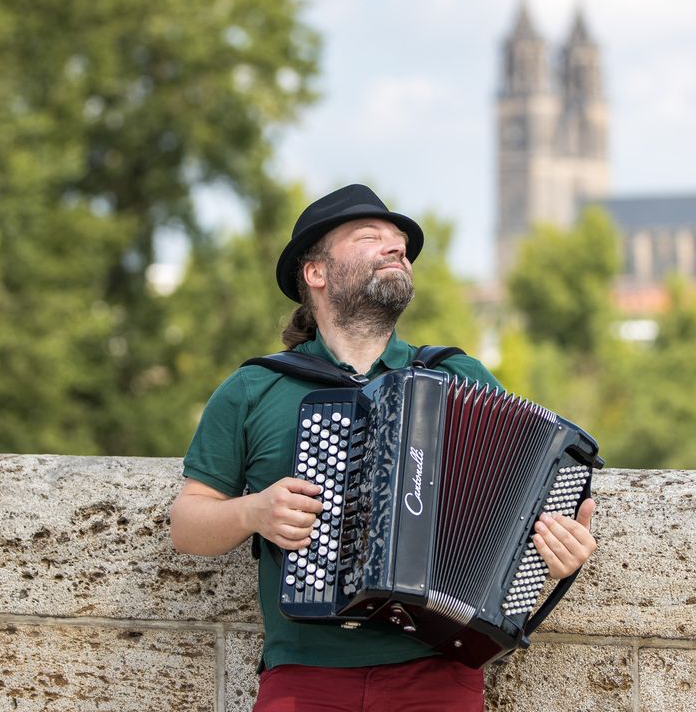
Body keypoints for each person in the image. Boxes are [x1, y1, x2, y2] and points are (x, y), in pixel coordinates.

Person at [169, 184, 596, 712]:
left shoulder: (457, 377)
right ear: (316, 273)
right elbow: (187, 526)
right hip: (304, 677)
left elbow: (516, 508)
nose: (396, 249)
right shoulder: (254, 390)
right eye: (372, 237)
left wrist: (555, 551)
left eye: (401, 244)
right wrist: (255, 511)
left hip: (436, 673)